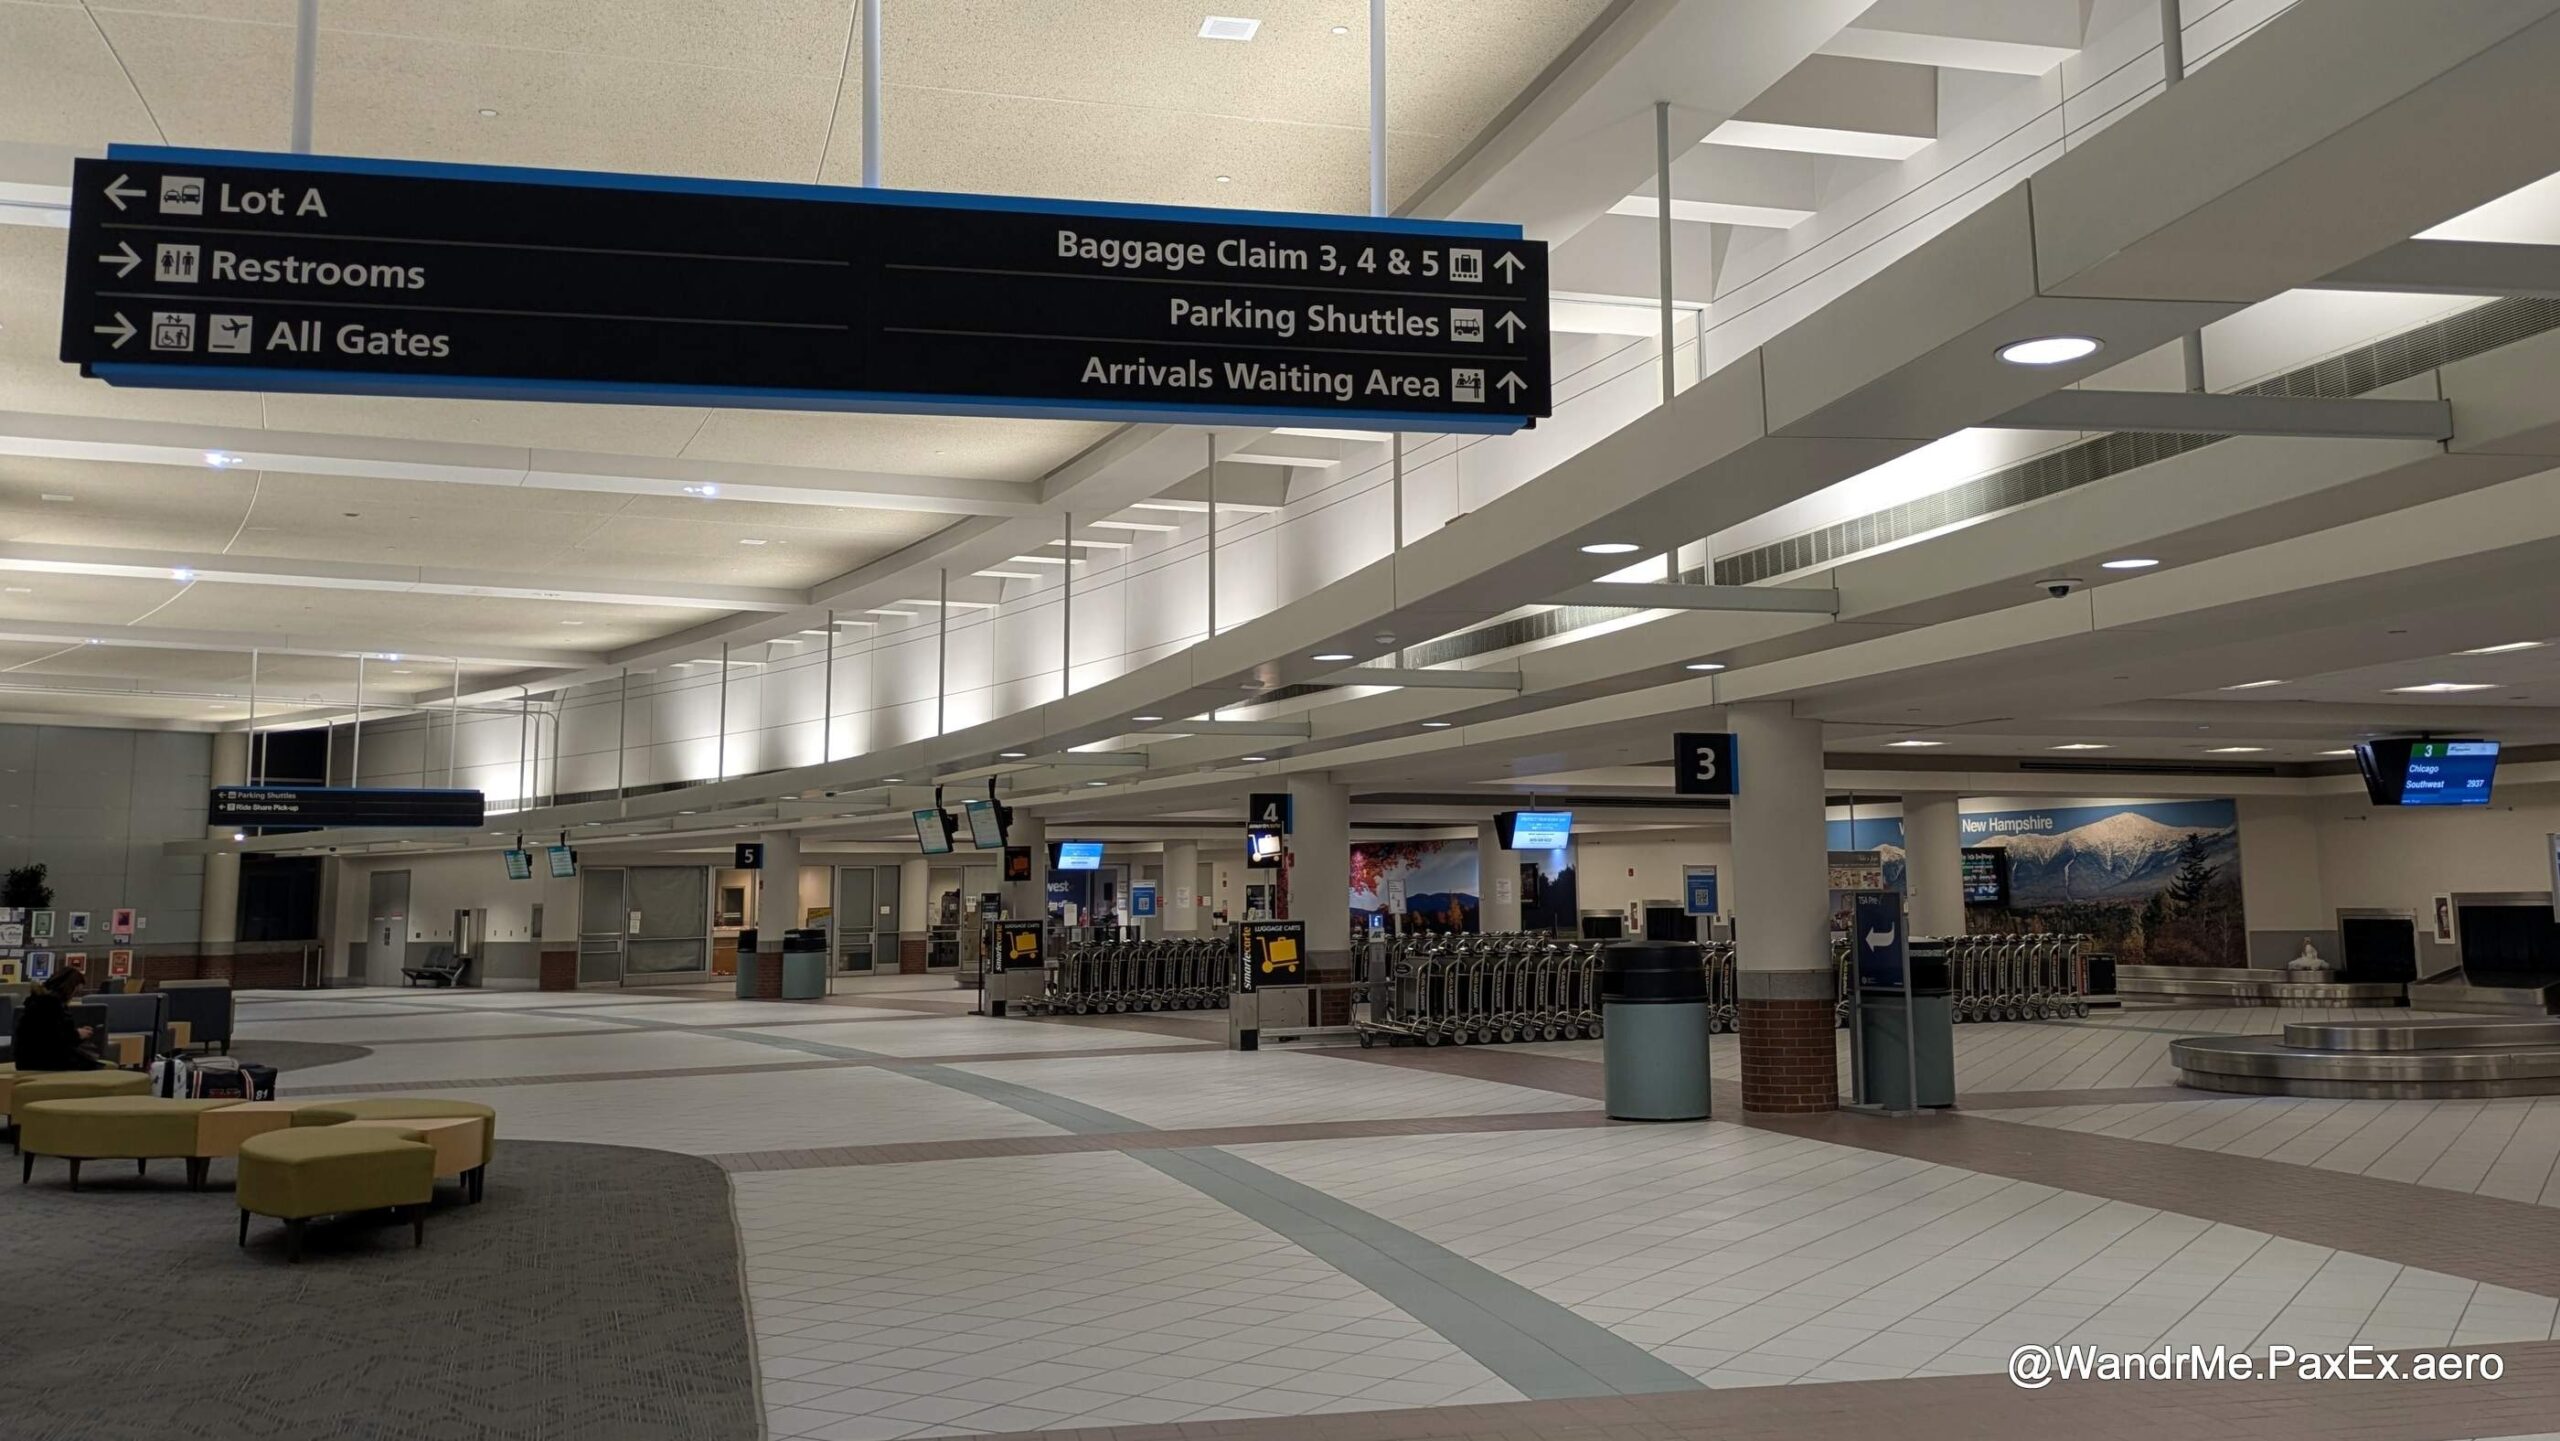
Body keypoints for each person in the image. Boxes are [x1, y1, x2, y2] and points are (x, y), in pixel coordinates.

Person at [11, 967, 104, 1071]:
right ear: (71, 988)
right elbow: (58, 1040)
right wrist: (78, 1034)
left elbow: (48, 1035)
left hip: (28, 1060)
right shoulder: (52, 1005)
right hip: (44, 1061)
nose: (73, 997)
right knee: (96, 1065)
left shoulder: (38, 1001)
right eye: (76, 992)